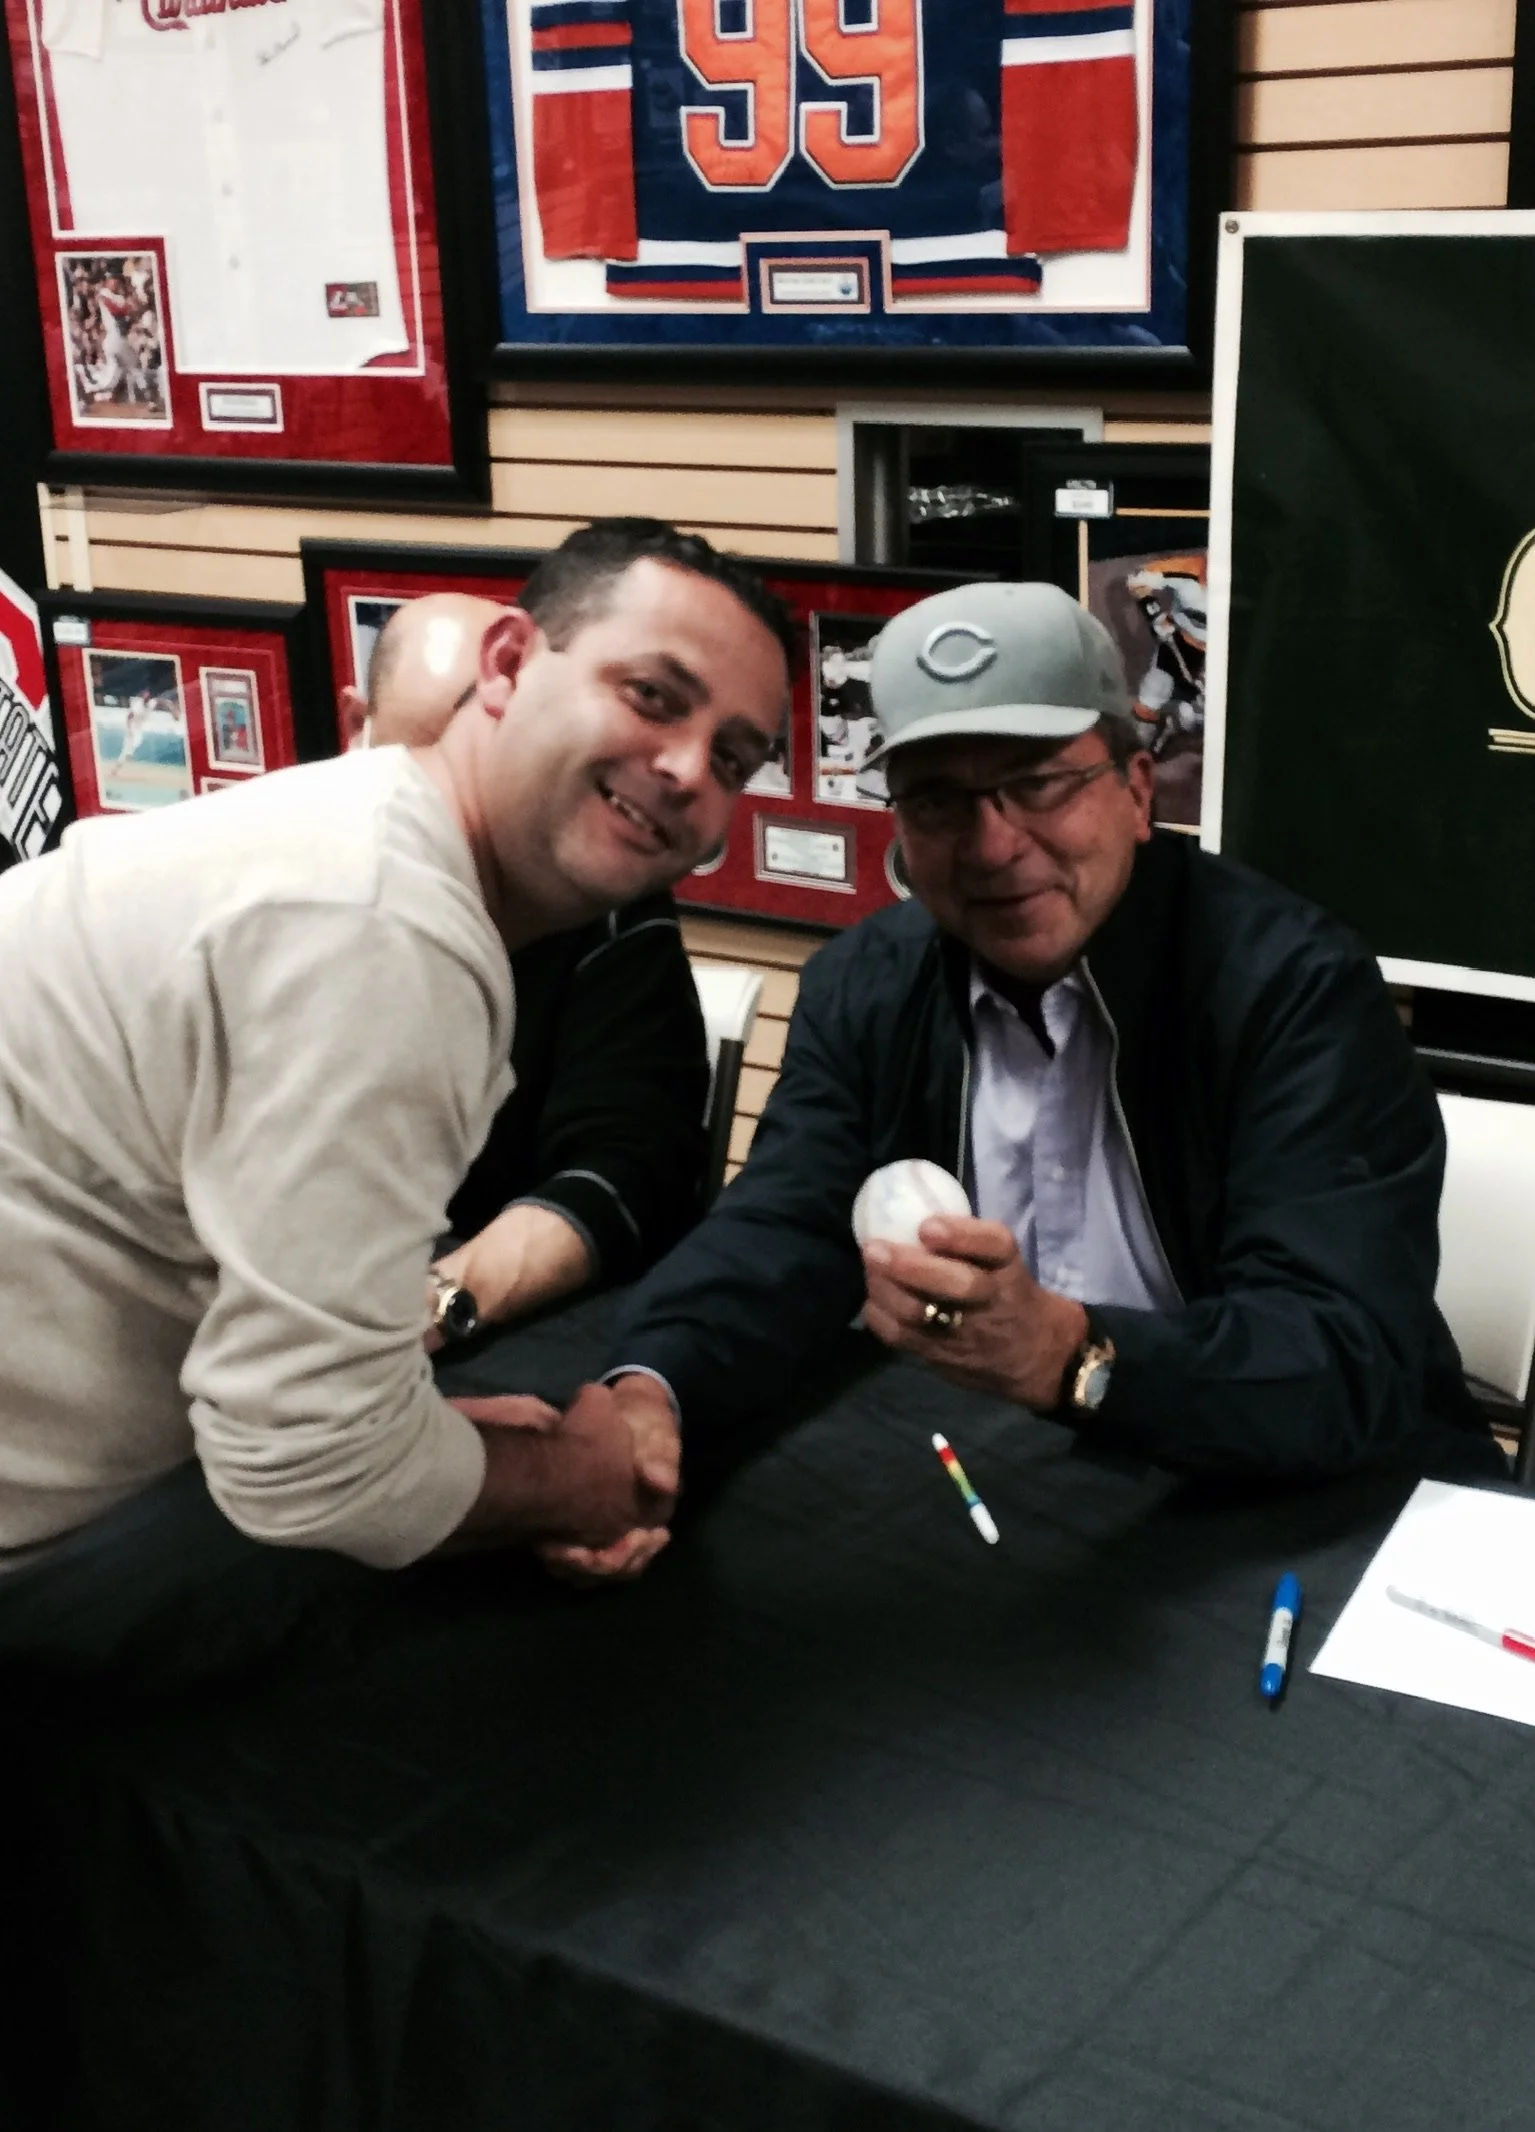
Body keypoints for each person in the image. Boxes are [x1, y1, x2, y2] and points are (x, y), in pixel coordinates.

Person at [567, 579, 1500, 1583]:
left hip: (1308, 1520)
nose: (994, 843)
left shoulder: (1288, 988)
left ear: (1138, 790)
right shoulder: (862, 986)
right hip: (1027, 1496)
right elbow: (780, 1225)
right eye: (936, 799)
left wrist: (1071, 1353)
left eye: (1040, 782)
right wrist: (650, 1385)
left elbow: (1344, 1351)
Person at [0, 518, 791, 1685]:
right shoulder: (385, 925)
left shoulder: (360, 851)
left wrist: (442, 1439)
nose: (685, 768)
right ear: (510, 664)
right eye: (651, 694)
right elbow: (299, 1456)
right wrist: (576, 1474)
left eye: (731, 755)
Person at [340, 591, 711, 1329]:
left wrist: (431, 1308)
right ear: (357, 728)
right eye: (424, 762)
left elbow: (626, 1169)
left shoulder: (600, 898)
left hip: (472, 1313)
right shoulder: (276, 888)